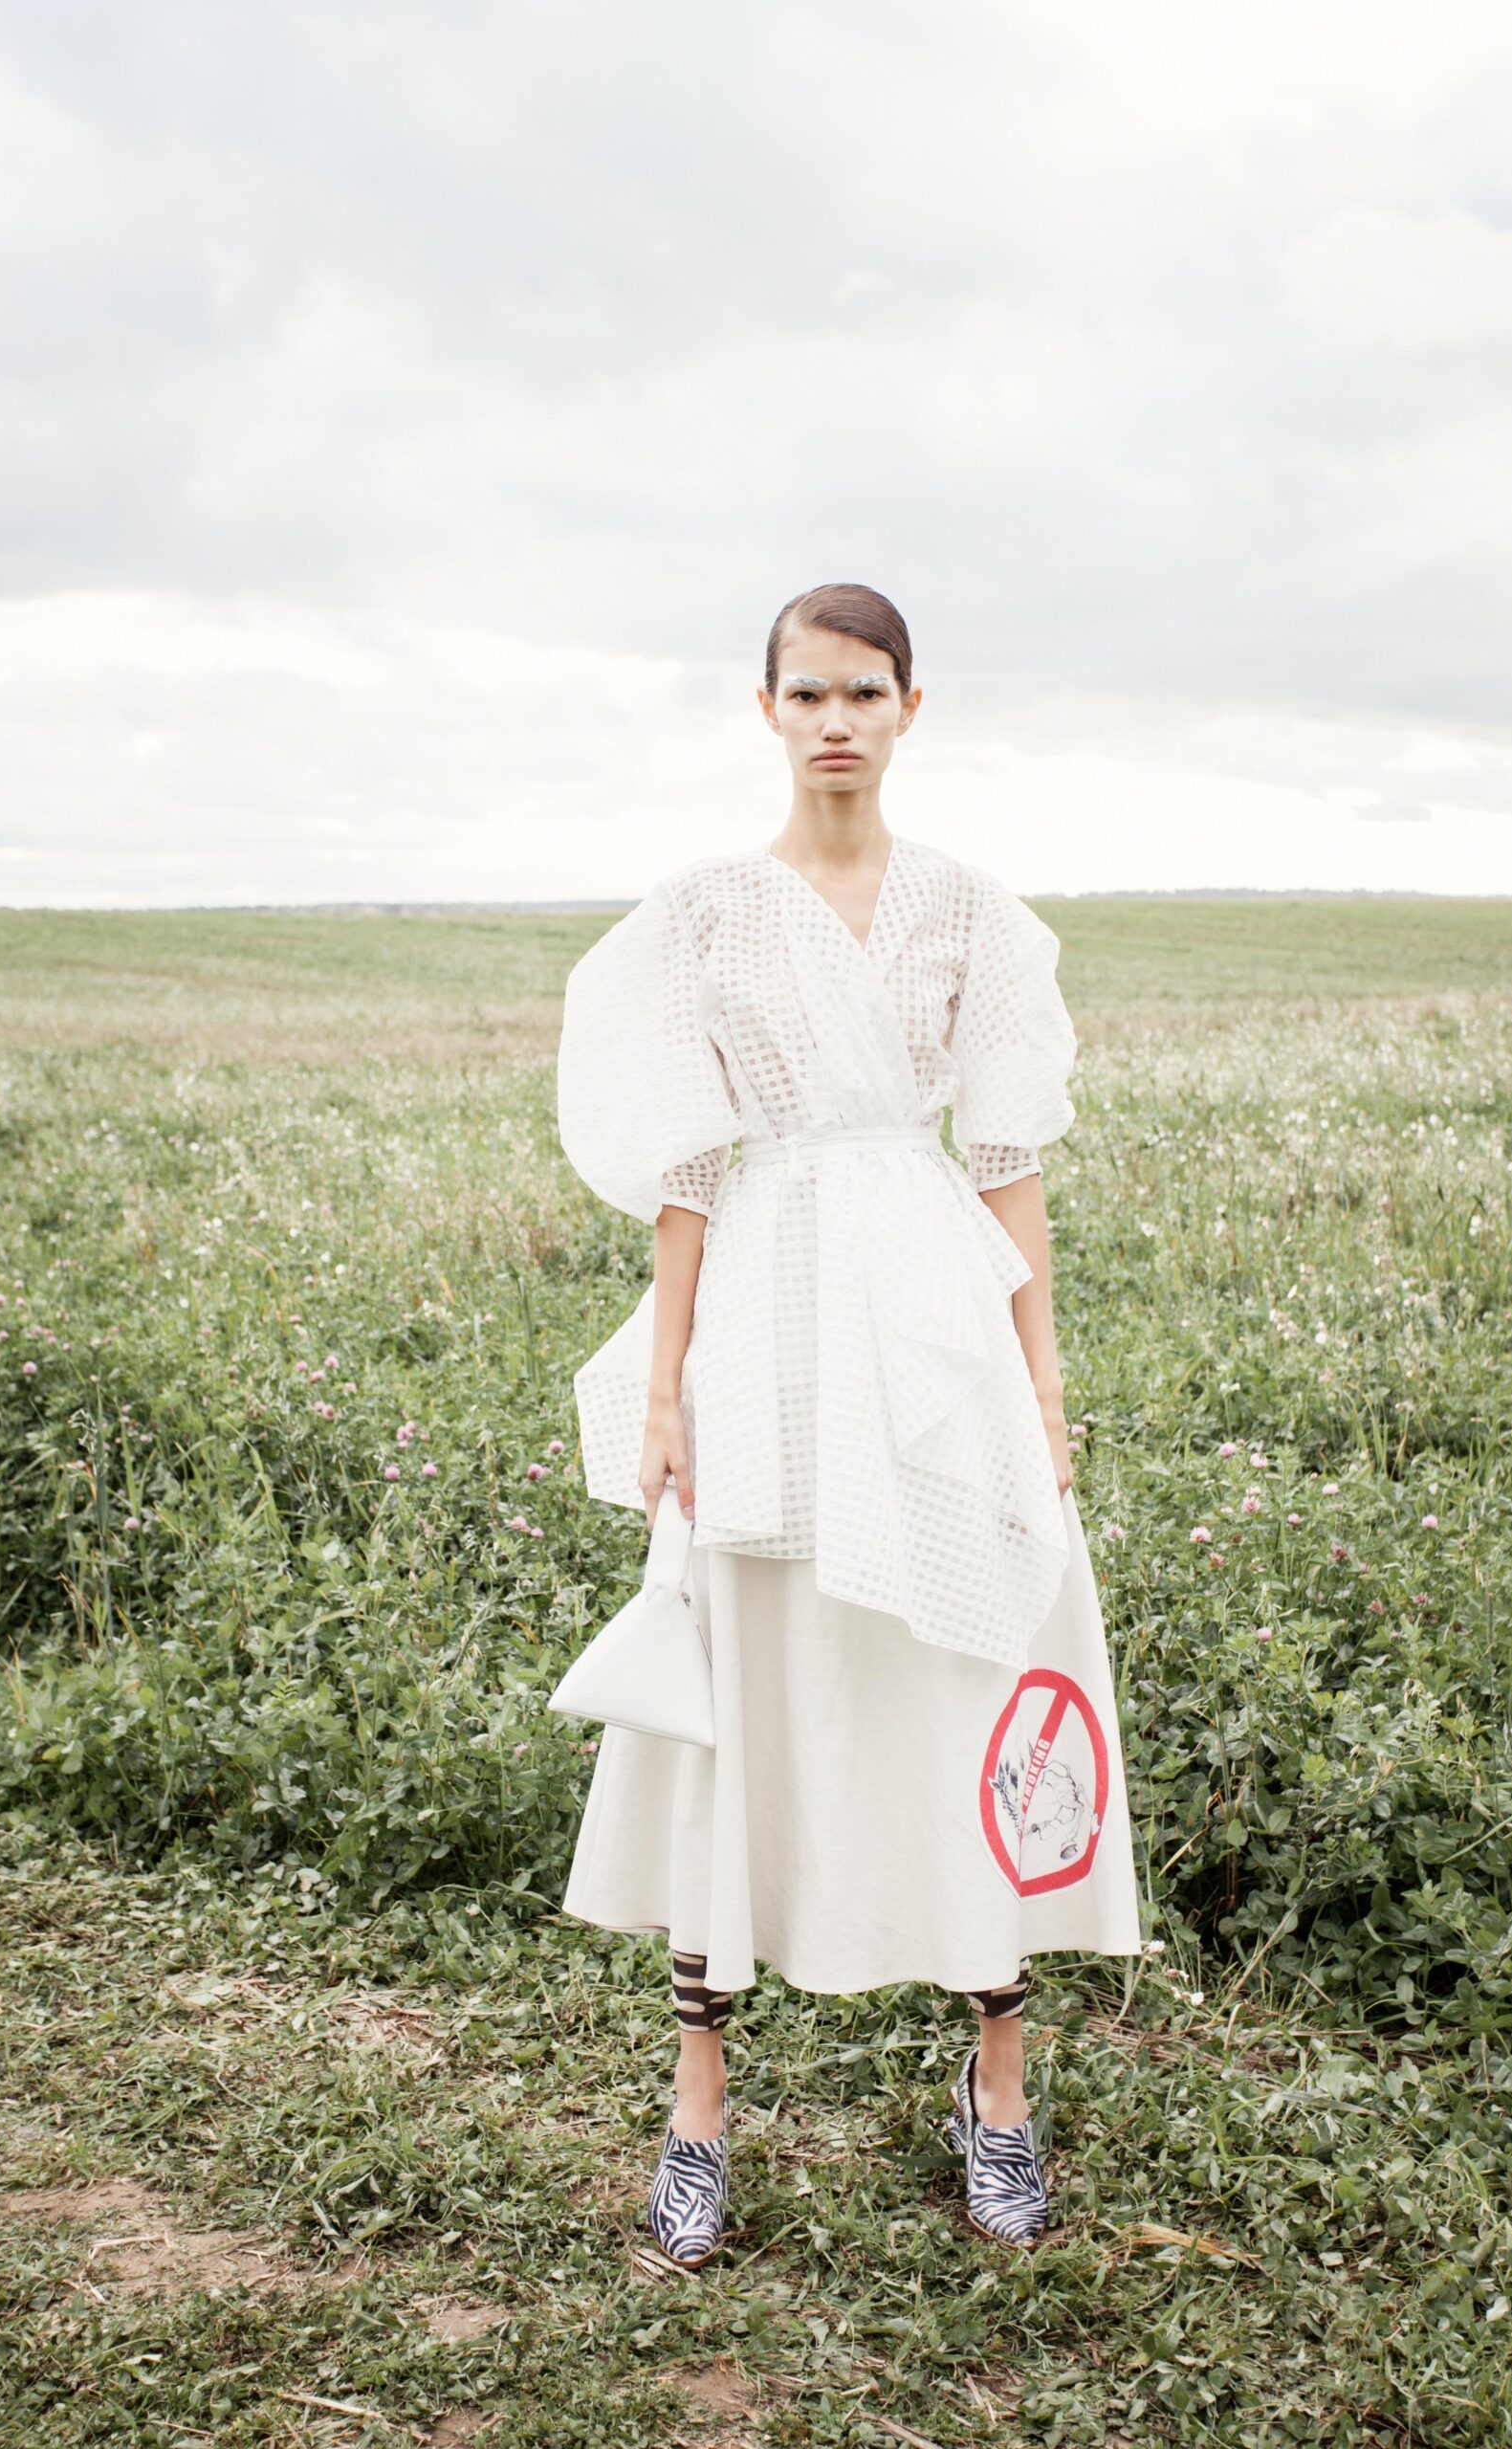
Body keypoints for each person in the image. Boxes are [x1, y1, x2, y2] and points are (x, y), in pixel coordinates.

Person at [555, 582, 1142, 2265]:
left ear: (906, 708)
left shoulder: (977, 916)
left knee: (972, 1665)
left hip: (938, 1323)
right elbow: (687, 1177)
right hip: (770, 1325)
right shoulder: (705, 919)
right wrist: (664, 1392)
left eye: (864, 692)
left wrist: (1043, 1391)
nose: (834, 720)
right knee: (740, 1673)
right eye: (805, 692)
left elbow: (1011, 1166)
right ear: (765, 710)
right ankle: (699, 2109)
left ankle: (1001, 2085)